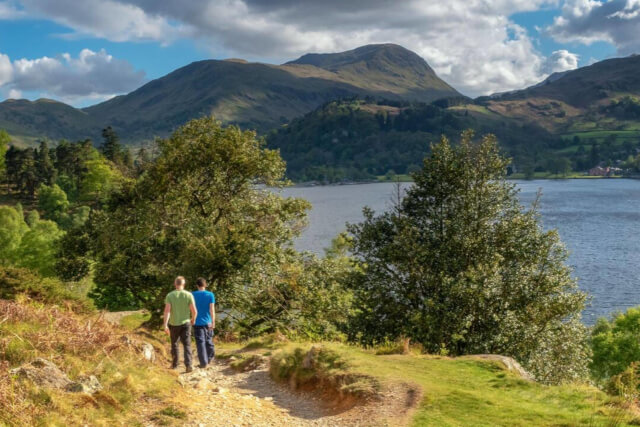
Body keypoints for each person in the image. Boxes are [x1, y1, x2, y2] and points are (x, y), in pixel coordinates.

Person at [163, 276, 197, 372]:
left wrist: (165, 324)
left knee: (174, 344)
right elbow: (194, 311)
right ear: (183, 284)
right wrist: (193, 319)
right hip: (186, 323)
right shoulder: (189, 295)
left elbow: (167, 311)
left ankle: (175, 365)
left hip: (174, 324)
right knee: (187, 344)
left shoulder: (170, 295)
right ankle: (188, 365)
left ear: (175, 284)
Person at [192, 277, 216, 368]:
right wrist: (213, 321)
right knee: (209, 340)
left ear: (197, 285)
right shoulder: (210, 295)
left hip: (197, 322)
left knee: (200, 342)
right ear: (205, 285)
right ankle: (210, 358)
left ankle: (203, 363)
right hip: (208, 322)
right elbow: (212, 310)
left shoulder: (192, 294)